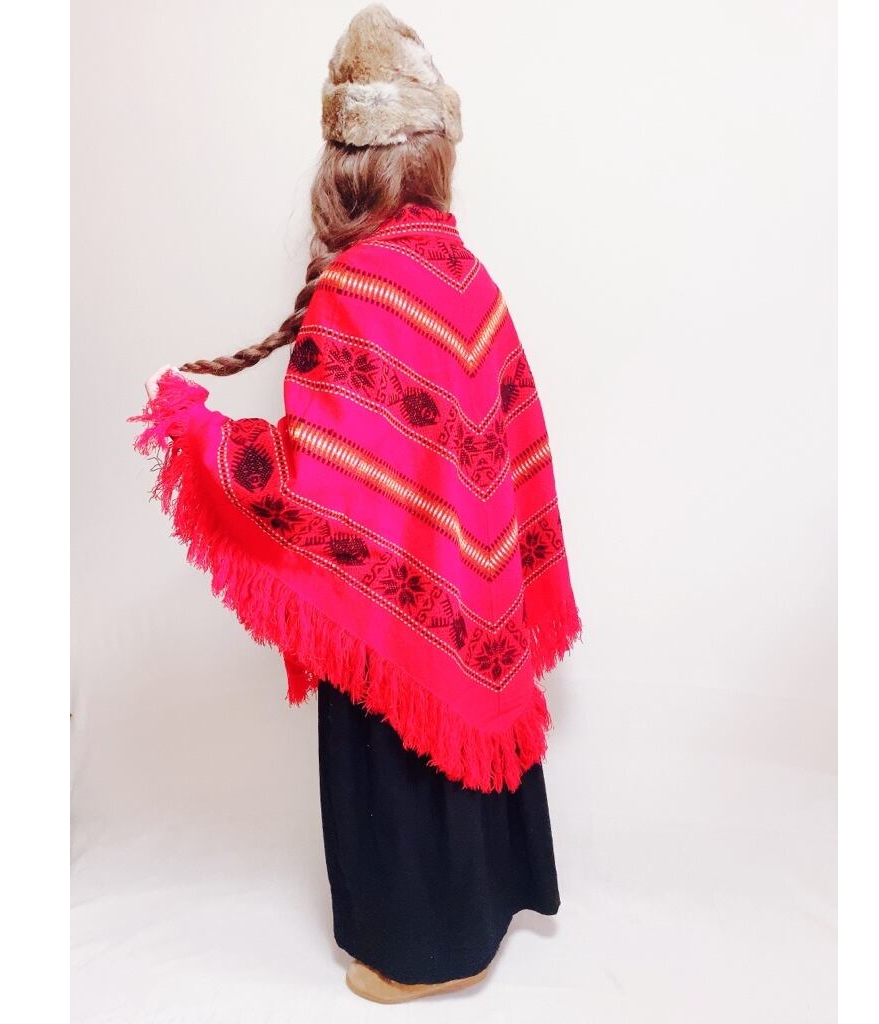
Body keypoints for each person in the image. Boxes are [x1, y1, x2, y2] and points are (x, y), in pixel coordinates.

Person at [130, 4, 581, 1004]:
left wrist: (202, 437)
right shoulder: (472, 282)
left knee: (393, 726)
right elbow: (498, 466)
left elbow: (311, 488)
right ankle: (483, 912)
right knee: (448, 701)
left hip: (389, 632)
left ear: (346, 166)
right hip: (470, 607)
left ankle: (416, 948)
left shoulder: (357, 292)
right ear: (431, 158)